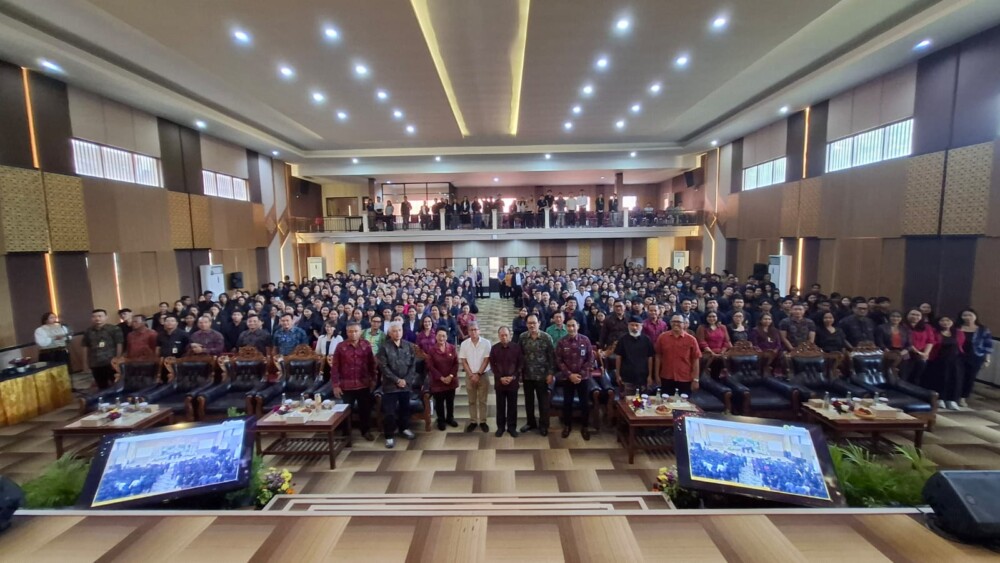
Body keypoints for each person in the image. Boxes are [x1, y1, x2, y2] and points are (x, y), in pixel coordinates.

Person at [330, 322, 376, 441]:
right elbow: (335, 367)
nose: (353, 334)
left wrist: (373, 379)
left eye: (356, 331)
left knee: (365, 410)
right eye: (350, 331)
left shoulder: (366, 345)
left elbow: (372, 364)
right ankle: (346, 434)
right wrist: (336, 385)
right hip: (346, 385)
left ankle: (366, 431)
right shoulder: (341, 346)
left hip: (363, 384)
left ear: (360, 332)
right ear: (347, 332)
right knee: (346, 412)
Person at [377, 321, 417, 448]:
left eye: (399, 330)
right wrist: (397, 380)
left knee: (405, 409)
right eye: (394, 331)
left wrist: (405, 380)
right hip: (390, 386)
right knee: (389, 412)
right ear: (390, 333)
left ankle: (404, 428)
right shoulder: (384, 347)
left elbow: (413, 365)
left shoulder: (409, 346)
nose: (397, 333)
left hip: (406, 384)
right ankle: (389, 436)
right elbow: (383, 367)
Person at [555, 318, 594, 440]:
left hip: (583, 377)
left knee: (584, 403)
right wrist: (570, 375)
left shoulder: (585, 340)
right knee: (567, 402)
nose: (571, 328)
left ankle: (585, 427)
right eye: (568, 326)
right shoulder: (562, 342)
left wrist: (580, 375)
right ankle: (567, 426)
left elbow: (590, 359)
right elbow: (559, 360)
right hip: (568, 378)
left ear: (578, 326)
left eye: (573, 325)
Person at [518, 315, 555, 436]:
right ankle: (531, 423)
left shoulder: (546, 337)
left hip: (542, 375)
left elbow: (552, 357)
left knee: (543, 402)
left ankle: (543, 425)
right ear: (526, 324)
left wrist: (551, 373)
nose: (532, 325)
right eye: (529, 323)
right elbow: (519, 356)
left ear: (539, 323)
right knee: (529, 401)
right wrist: (519, 373)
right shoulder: (522, 337)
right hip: (527, 375)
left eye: (534, 323)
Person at [654, 314, 702, 395]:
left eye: (679, 322)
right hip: (666, 377)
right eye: (674, 321)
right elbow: (658, 356)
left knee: (683, 402)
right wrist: (656, 375)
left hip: (685, 378)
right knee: (665, 401)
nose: (676, 324)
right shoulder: (662, 337)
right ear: (670, 323)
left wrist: (696, 379)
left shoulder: (691, 340)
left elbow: (696, 359)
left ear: (684, 324)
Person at [490, 327, 523, 437]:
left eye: (506, 335)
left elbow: (520, 364)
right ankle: (500, 427)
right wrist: (500, 377)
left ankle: (512, 427)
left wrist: (513, 377)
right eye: (502, 335)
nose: (504, 337)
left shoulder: (516, 348)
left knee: (512, 406)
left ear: (510, 335)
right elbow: (493, 365)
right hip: (499, 383)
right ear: (498, 336)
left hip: (513, 382)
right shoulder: (494, 348)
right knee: (500, 406)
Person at [459, 322, 492, 433]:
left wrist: (478, 374)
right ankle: (473, 421)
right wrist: (471, 375)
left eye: (475, 329)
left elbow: (486, 360)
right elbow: (464, 361)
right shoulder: (464, 344)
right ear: (468, 332)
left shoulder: (486, 343)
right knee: (471, 400)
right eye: (471, 330)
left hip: (483, 375)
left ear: (479, 331)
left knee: (483, 400)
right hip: (470, 376)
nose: (473, 332)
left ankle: (483, 421)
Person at [928, 316, 965, 411]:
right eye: (942, 320)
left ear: (952, 322)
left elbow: (961, 345)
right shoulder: (934, 332)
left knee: (955, 379)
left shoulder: (958, 332)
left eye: (948, 320)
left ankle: (951, 400)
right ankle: (940, 398)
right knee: (941, 379)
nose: (945, 322)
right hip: (939, 360)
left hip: (955, 361)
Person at [958, 309, 992, 408]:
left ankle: (963, 397)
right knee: (957, 377)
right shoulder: (957, 328)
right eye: (965, 315)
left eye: (970, 315)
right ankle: (953, 396)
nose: (967, 317)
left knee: (970, 378)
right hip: (958, 356)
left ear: (975, 316)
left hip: (976, 356)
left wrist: (987, 359)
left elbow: (988, 345)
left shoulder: (983, 329)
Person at [427, 328, 460, 431]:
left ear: (447, 337)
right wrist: (441, 378)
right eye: (439, 335)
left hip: (451, 380)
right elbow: (430, 366)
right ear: (435, 336)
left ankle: (450, 418)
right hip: (438, 381)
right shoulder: (431, 350)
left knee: (450, 401)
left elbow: (456, 363)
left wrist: (450, 376)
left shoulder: (452, 348)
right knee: (439, 402)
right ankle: (441, 420)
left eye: (444, 336)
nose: (441, 338)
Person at [82, 309, 123, 389]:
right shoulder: (88, 331)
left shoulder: (114, 329)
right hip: (95, 363)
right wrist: (85, 364)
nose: (97, 318)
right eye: (94, 317)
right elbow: (85, 347)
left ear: (106, 317)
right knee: (101, 386)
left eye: (100, 316)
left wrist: (118, 360)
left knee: (116, 385)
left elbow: (119, 344)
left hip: (111, 362)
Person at [615, 315, 655, 391]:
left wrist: (650, 375)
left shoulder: (646, 340)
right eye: (632, 325)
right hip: (627, 377)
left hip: (643, 377)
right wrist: (617, 375)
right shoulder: (623, 339)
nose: (634, 328)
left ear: (641, 326)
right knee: (627, 397)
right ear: (628, 326)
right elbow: (618, 357)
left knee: (643, 398)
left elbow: (650, 358)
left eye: (637, 325)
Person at [906, 309, 937, 385]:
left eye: (918, 315)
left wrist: (926, 353)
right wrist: (916, 351)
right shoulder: (902, 326)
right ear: (907, 315)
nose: (915, 317)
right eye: (912, 314)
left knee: (918, 377)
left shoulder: (927, 327)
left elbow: (930, 341)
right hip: (906, 354)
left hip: (921, 354)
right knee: (906, 376)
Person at [696, 311, 731, 378]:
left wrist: (722, 352)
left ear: (717, 317)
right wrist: (711, 352)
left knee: (724, 360)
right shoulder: (702, 327)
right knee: (716, 360)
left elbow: (726, 341)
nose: (712, 318)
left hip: (722, 352)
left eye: (714, 316)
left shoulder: (723, 327)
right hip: (707, 353)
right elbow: (702, 342)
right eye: (709, 317)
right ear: (706, 318)